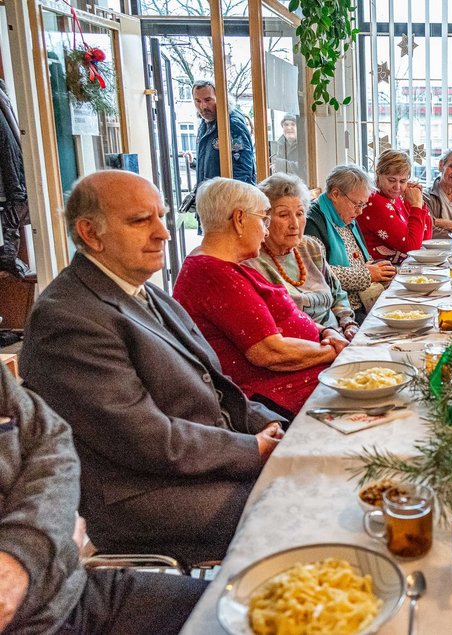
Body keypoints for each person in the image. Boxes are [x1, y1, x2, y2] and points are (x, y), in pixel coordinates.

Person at [20, 170, 284, 565]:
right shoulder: (67, 318)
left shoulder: (144, 290)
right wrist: (252, 448)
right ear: (91, 233)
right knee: (297, 506)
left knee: (320, 462)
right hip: (143, 495)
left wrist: (277, 428)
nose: (164, 233)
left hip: (200, 462)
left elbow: (216, 386)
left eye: (161, 216)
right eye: (141, 220)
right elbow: (146, 440)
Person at [0, 366, 208, 635]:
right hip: (35, 615)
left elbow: (51, 437)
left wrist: (24, 557)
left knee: (246, 613)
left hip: (72, 595)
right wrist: (56, 542)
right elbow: (150, 437)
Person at [174, 178, 344, 419]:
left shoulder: (229, 265)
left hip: (309, 377)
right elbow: (270, 353)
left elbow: (283, 318)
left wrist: (327, 333)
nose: (265, 230)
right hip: (279, 398)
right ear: (240, 219)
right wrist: (333, 352)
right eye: (264, 219)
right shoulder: (213, 273)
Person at [246, 172, 360, 341]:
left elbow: (337, 293)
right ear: (265, 219)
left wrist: (348, 323)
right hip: (305, 342)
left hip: (338, 335)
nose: (294, 224)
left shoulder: (309, 247)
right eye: (283, 215)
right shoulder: (254, 262)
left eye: (299, 214)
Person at [305, 164, 396, 320]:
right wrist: (366, 274)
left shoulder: (344, 216)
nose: (360, 211)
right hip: (338, 312)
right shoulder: (312, 221)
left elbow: (361, 260)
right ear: (335, 194)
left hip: (361, 301)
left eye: (363, 205)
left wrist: (380, 270)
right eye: (357, 204)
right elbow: (317, 272)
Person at [358, 149, 433, 263]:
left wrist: (418, 202)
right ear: (378, 175)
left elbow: (425, 239)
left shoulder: (395, 197)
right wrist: (416, 206)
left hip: (398, 268)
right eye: (391, 180)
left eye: (403, 181)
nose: (397, 187)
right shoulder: (373, 200)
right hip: (380, 274)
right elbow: (411, 248)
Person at [191, 80, 256, 187]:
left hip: (228, 199)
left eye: (208, 100)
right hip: (210, 197)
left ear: (221, 99)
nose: (203, 106)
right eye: (197, 101)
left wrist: (225, 199)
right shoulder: (204, 124)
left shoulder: (231, 124)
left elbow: (243, 169)